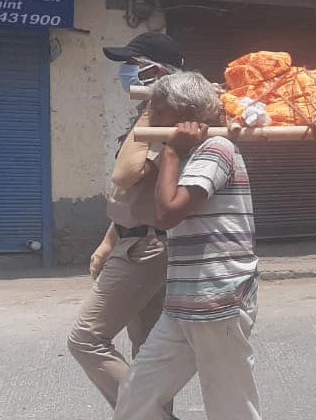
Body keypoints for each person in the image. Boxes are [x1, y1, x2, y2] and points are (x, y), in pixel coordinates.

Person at [113, 71, 261, 420]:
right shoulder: (192, 153)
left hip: (218, 299)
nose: (151, 121)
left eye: (157, 113)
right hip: (184, 302)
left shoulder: (216, 149)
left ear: (182, 116)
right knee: (135, 396)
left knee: (230, 407)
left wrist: (169, 154)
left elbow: (167, 214)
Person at [67, 32, 184, 417]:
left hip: (145, 251)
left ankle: (149, 415)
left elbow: (126, 175)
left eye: (136, 66)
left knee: (85, 338)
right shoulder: (147, 119)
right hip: (134, 241)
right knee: (147, 351)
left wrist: (153, 106)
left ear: (161, 73)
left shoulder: (167, 121)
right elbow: (133, 196)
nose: (128, 74)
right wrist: (106, 242)